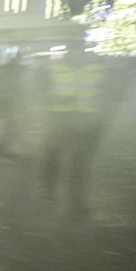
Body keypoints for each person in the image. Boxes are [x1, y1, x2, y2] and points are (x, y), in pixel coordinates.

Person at [41, 40, 109, 216]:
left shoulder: (95, 69)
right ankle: (49, 189)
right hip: (59, 120)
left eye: (80, 49)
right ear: (68, 50)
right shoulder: (54, 69)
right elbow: (39, 92)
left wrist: (100, 120)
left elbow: (105, 93)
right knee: (54, 157)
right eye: (74, 49)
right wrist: (52, 100)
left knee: (80, 164)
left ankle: (76, 203)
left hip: (85, 122)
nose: (77, 52)